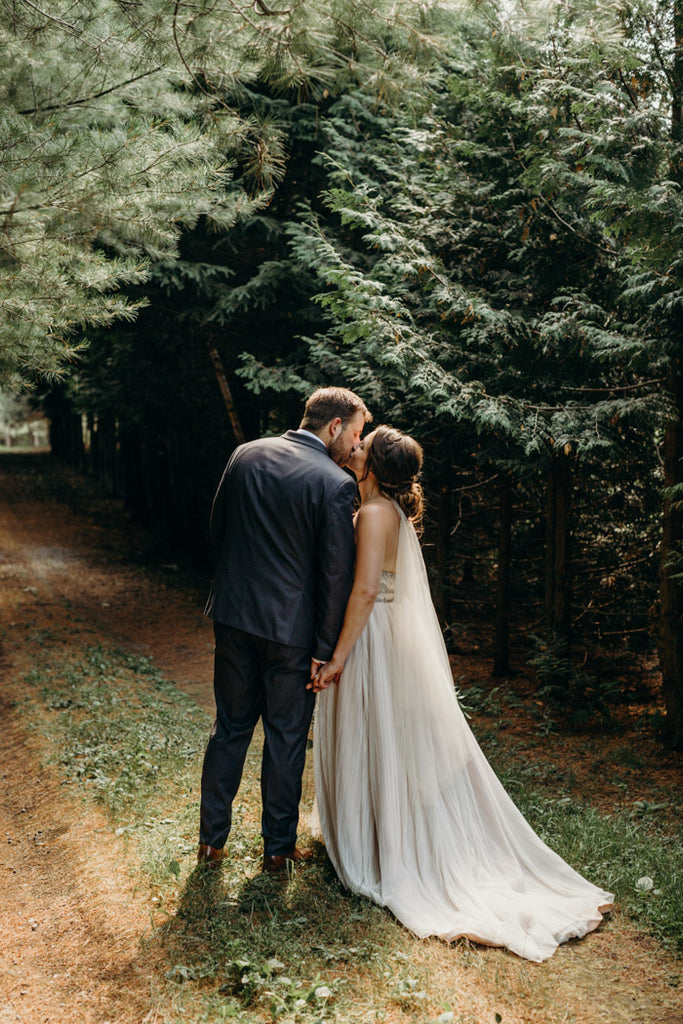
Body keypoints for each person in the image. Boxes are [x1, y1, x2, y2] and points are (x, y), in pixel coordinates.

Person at [311, 425, 613, 962]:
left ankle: (382, 845)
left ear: (376, 466)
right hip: (377, 630)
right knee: (382, 737)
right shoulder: (386, 510)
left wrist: (337, 656)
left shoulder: (378, 513)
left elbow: (364, 589)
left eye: (362, 445)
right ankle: (376, 830)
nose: (352, 447)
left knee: (374, 730)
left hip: (371, 635)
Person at [198, 386, 371, 872]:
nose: (355, 445)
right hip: (291, 634)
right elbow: (335, 575)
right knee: (285, 737)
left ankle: (211, 843)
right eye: (355, 433)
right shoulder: (334, 484)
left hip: (233, 616)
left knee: (229, 728)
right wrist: (323, 647)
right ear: (334, 426)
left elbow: (218, 528)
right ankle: (277, 849)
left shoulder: (245, 455)